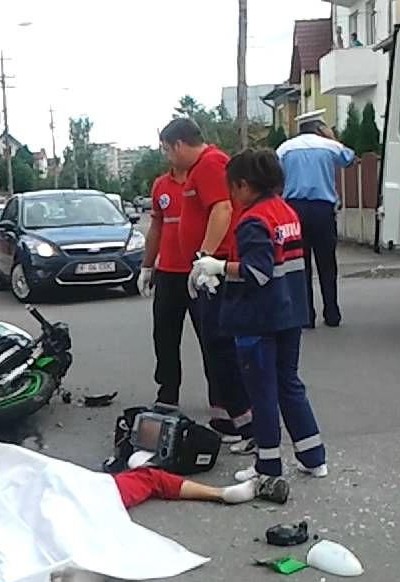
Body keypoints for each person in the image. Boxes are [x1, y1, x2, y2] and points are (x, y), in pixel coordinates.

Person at [191, 149, 328, 485]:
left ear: (243, 185)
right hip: (289, 313)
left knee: (262, 393)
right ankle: (313, 457)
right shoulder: (286, 212)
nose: (232, 196)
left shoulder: (253, 221)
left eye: (232, 189)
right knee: (289, 385)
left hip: (258, 320)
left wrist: (218, 267)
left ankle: (267, 465)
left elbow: (258, 272)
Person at [0, 463, 288, 582]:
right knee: (141, 482)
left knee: (58, 516)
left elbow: (4, 504)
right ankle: (219, 494)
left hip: (50, 492)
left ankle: (80, 558)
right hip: (80, 486)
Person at [159, 117, 254, 448]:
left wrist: (205, 258)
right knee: (216, 345)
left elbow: (222, 209)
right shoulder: (202, 167)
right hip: (210, 268)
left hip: (216, 268)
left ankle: (245, 422)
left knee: (220, 345)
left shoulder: (210, 164)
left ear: (180, 145)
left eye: (168, 151)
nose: (169, 158)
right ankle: (231, 417)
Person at [277, 109, 356, 328]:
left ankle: (306, 315)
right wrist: (332, 138)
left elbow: (275, 173)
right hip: (322, 209)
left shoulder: (285, 148)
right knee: (327, 263)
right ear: (320, 128)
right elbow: (349, 159)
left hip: (294, 210)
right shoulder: (329, 146)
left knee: (300, 264)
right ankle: (332, 313)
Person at [139, 165, 201, 407]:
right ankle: (167, 393)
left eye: (169, 148)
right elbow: (156, 227)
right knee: (164, 337)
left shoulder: (200, 180)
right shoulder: (161, 185)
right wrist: (147, 266)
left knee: (211, 340)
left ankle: (223, 398)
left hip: (197, 271)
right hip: (167, 272)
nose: (168, 155)